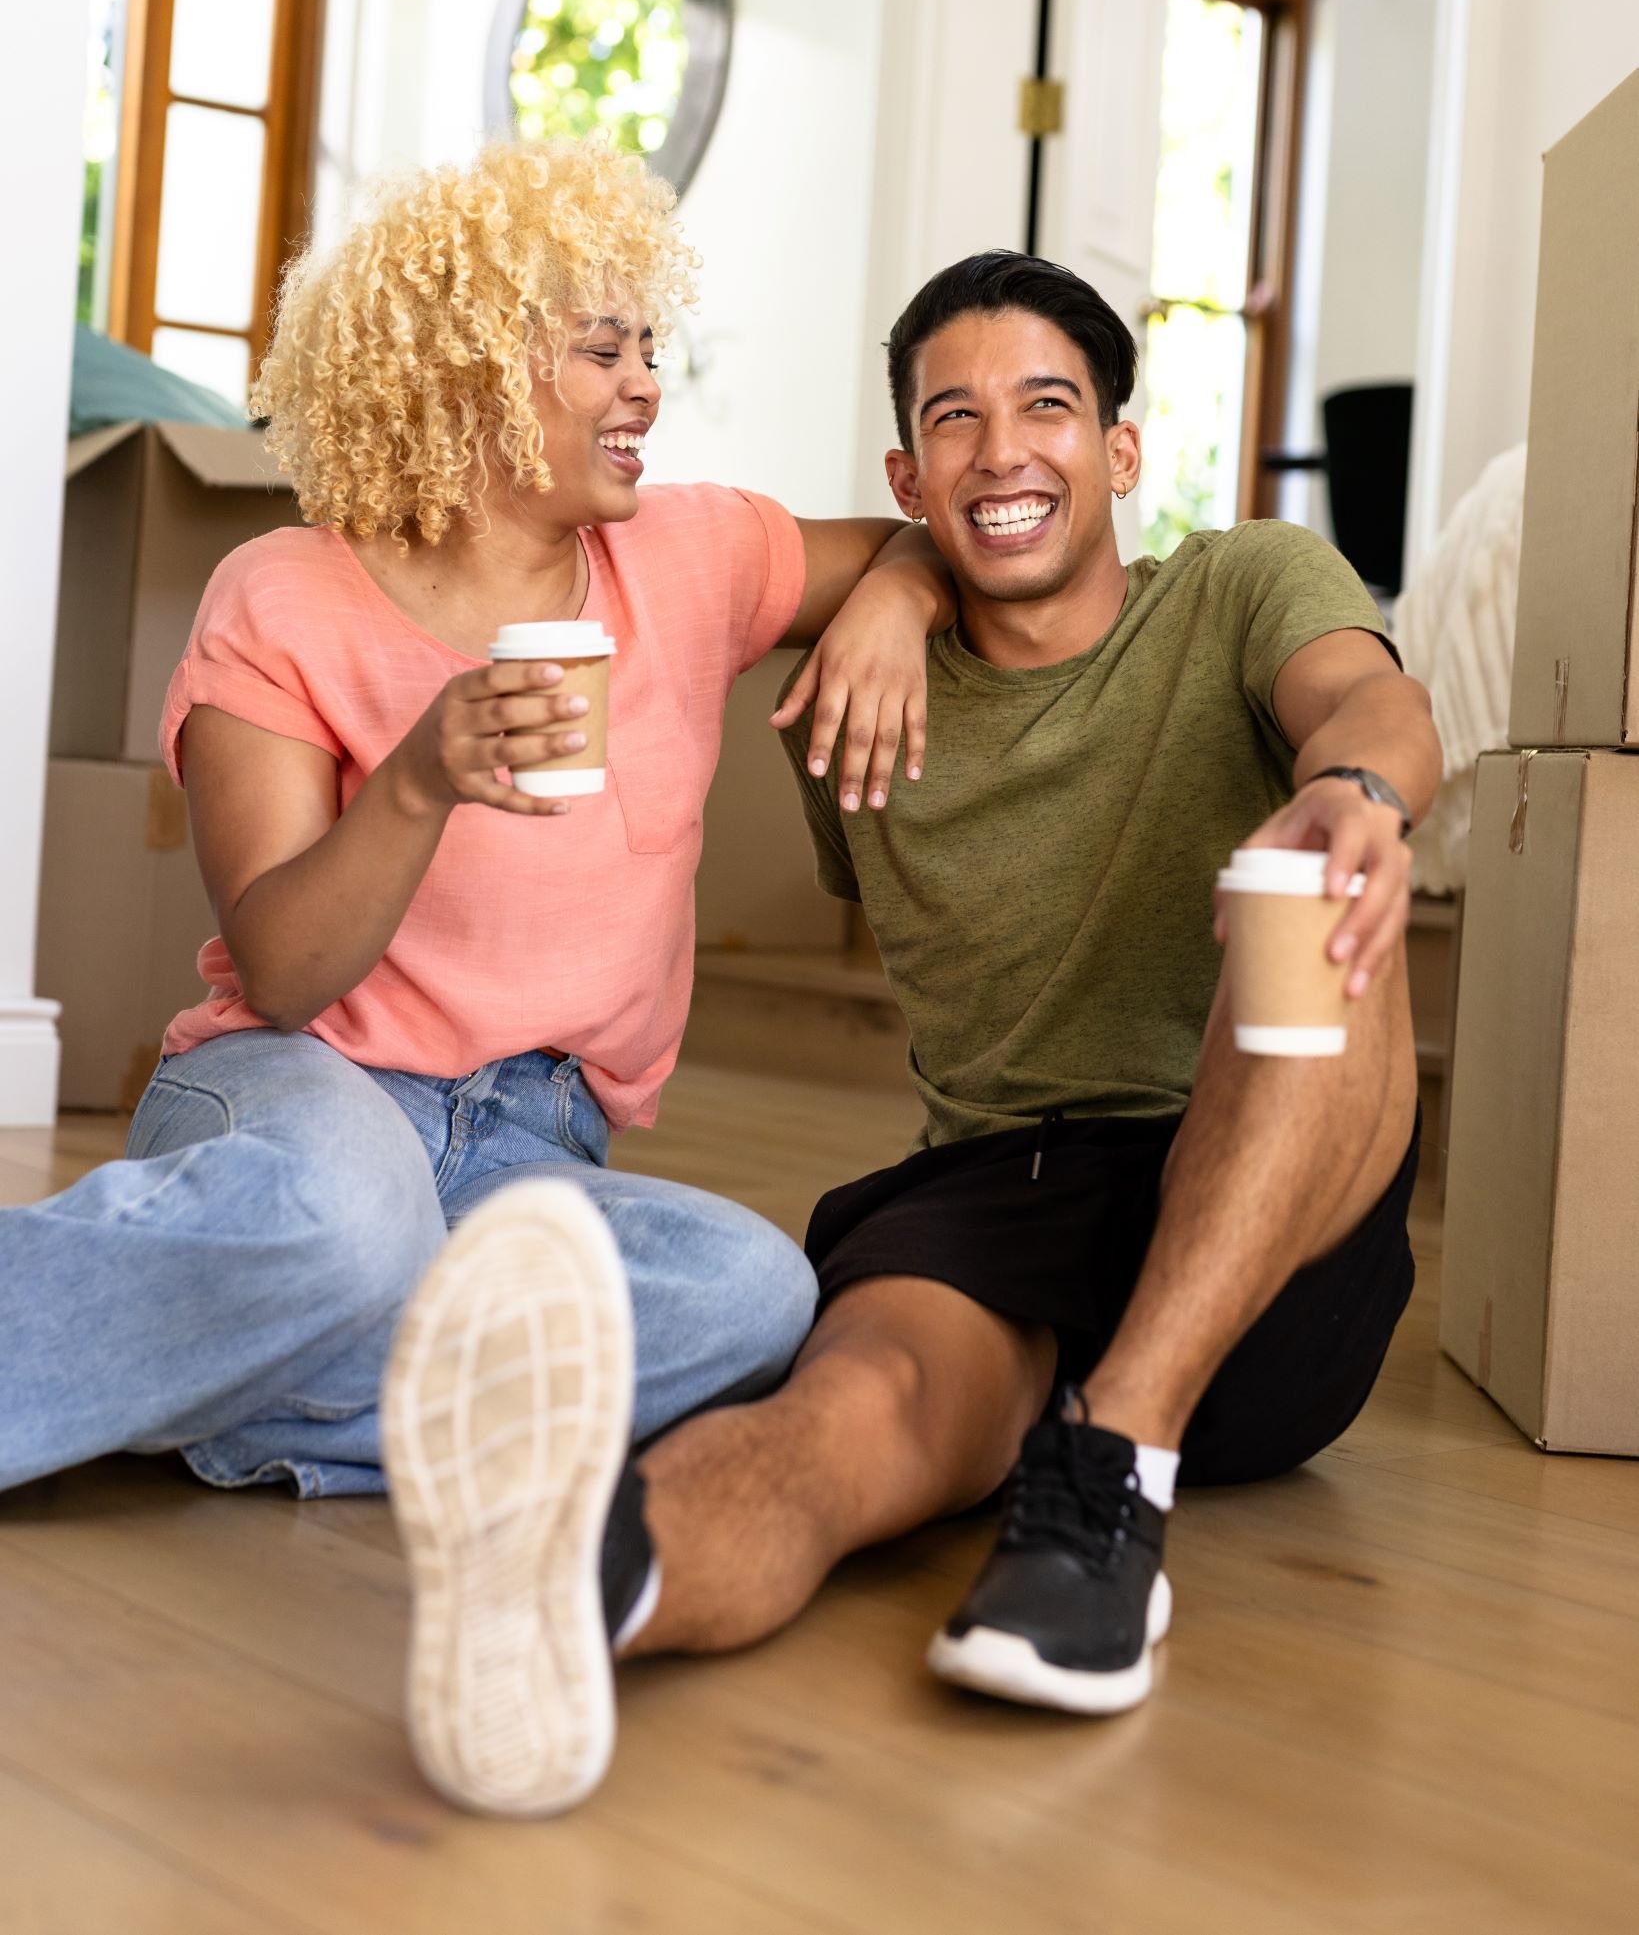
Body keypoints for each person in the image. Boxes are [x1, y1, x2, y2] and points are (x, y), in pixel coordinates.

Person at [382, 245, 1441, 1815]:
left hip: (1266, 1202)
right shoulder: (856, 711)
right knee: (840, 1414)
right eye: (955, 419)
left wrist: (1353, 791)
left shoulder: (1241, 585)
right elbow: (725, 561)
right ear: (906, 476)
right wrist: (891, 591)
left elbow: (1371, 701)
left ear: (1121, 451)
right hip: (1006, 1188)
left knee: (1316, 885)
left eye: (1048, 407)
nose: (1002, 452)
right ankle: (571, 1586)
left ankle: (1115, 1460)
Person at [0, 139, 954, 1542]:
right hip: (305, 1097)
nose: (646, 385)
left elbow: (920, 540)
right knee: (347, 1222)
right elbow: (281, 975)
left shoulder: (691, 555)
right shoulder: (282, 595)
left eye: (649, 348)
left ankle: (209, 1374)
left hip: (535, 1142)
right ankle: (249, 1334)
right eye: (602, 350)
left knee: (751, 1300)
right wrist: (419, 779)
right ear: (469, 372)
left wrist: (897, 601)